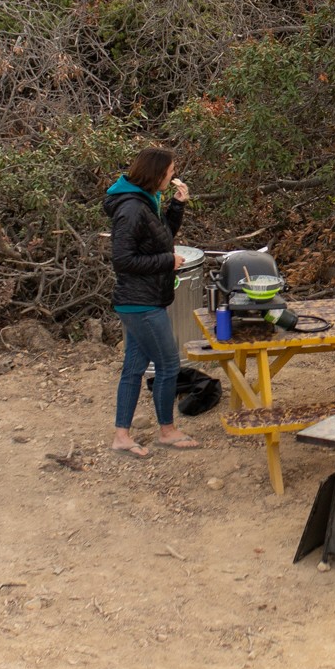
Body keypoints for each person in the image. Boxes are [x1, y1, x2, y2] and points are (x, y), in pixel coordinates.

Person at [103, 146, 202, 455]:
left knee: (134, 367)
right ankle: (167, 431)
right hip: (140, 303)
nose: (173, 176)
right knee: (168, 364)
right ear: (157, 174)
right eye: (170, 172)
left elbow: (162, 237)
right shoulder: (131, 209)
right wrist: (166, 262)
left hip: (142, 301)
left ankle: (122, 436)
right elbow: (123, 260)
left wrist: (177, 205)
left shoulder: (146, 201)